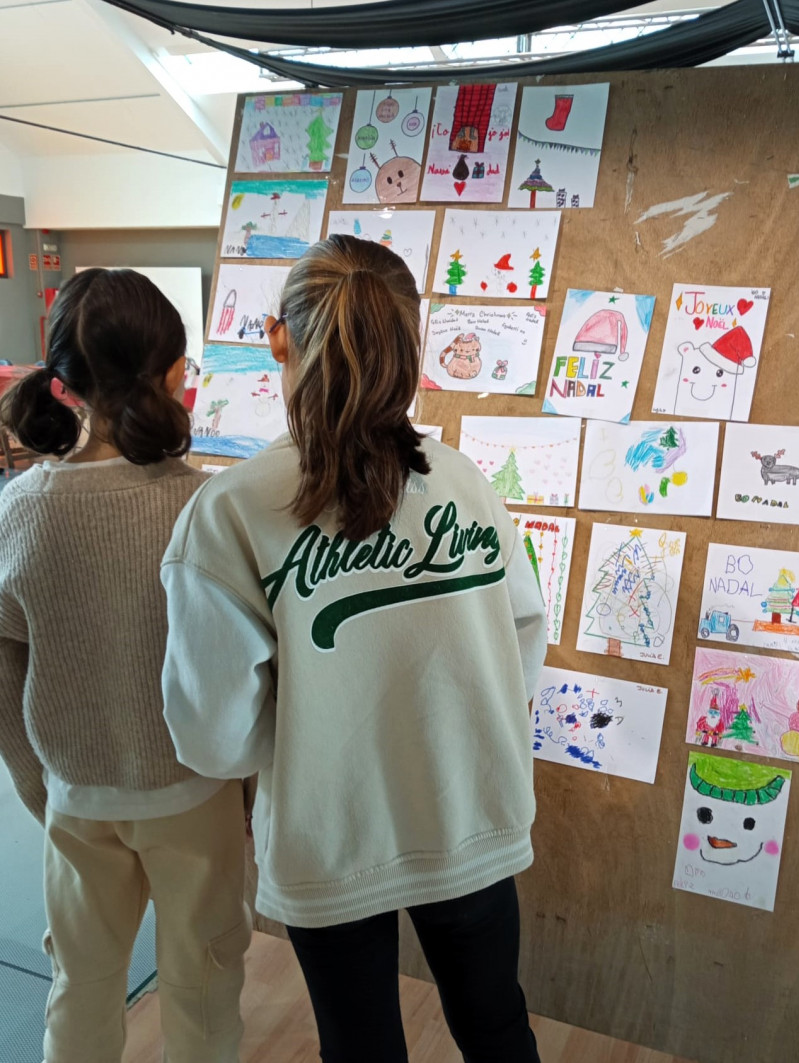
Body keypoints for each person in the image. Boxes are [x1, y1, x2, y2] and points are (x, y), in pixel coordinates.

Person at [161, 235, 548, 1063]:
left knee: (361, 1049)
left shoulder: (229, 512)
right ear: (414, 339)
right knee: (497, 1027)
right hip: (471, 811)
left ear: (276, 336)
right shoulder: (466, 480)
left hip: (328, 835)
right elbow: (524, 636)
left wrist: (315, 730)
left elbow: (211, 734)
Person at [0, 268, 249, 1063]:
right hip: (193, 792)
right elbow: (243, 665)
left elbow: (5, 668)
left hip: (75, 792)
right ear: (175, 371)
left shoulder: (23, 507)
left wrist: (39, 784)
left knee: (80, 984)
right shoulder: (207, 507)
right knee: (202, 986)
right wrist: (246, 785)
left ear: (63, 380)